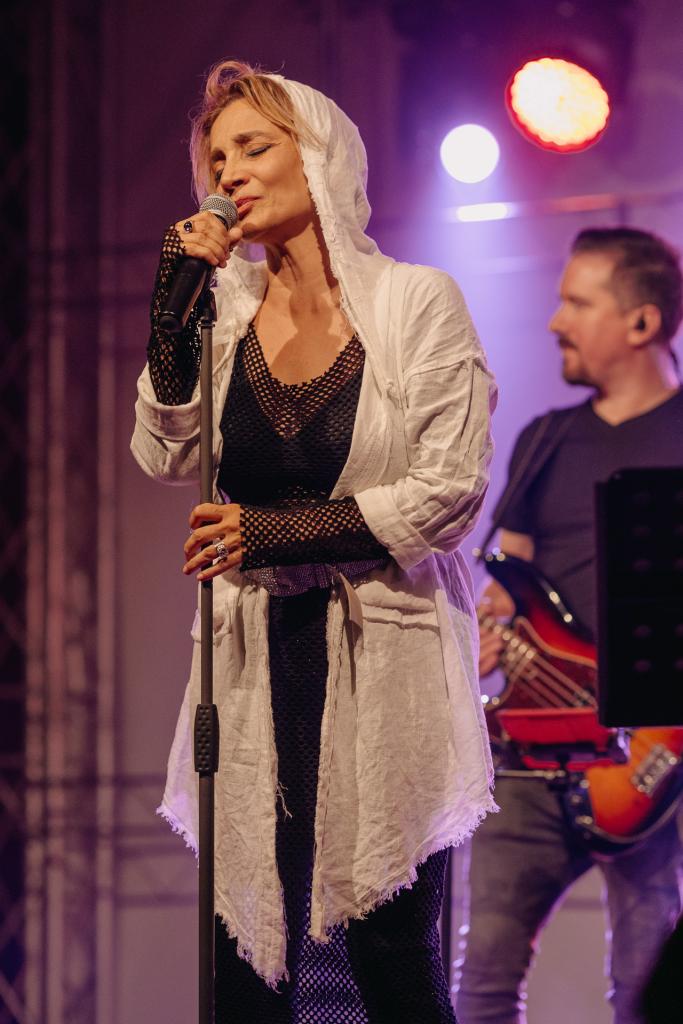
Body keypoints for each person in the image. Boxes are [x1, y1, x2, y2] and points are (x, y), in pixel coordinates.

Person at [131, 60, 497, 1023]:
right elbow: (164, 453)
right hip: (254, 666)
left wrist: (270, 533)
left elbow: (449, 491)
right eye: (216, 158)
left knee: (389, 954)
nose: (229, 173)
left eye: (253, 147)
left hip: (381, 658)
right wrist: (169, 316)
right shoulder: (223, 318)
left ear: (320, 153)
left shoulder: (414, 301)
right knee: (248, 961)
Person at [455, 227, 683, 1024]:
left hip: (655, 763)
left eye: (576, 303)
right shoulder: (544, 438)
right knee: (480, 991)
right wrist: (486, 634)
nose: (554, 321)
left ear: (641, 323)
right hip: (532, 757)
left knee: (646, 996)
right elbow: (507, 586)